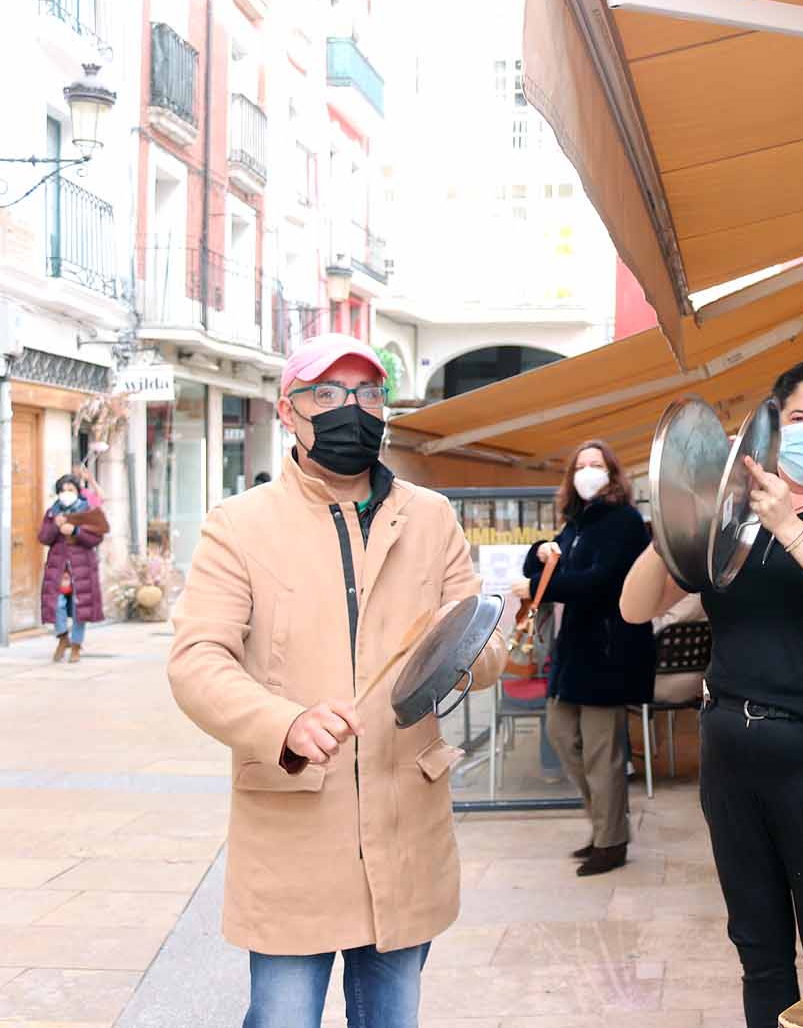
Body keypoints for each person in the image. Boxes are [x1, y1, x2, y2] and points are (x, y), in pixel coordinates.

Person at [167, 333, 506, 1028]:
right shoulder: (239, 525)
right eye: (327, 393)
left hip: (405, 825)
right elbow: (197, 660)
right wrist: (281, 723)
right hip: (294, 834)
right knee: (282, 1016)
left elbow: (489, 645)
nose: (351, 408)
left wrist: (462, 645)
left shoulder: (430, 516)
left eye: (367, 393)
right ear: (288, 412)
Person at [621, 360, 803, 1028]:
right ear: (772, 430)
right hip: (732, 750)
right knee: (759, 950)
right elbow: (636, 606)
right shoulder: (729, 522)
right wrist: (681, 512)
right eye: (799, 417)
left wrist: (788, 525)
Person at [513, 439, 654, 877]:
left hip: (610, 649)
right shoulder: (577, 522)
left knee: (601, 753)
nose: (588, 471)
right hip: (575, 651)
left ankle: (610, 842)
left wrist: (544, 586)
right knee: (562, 736)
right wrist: (539, 549)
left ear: (613, 474)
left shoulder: (624, 521)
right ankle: (605, 827)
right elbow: (538, 568)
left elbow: (599, 583)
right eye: (581, 465)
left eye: (597, 464)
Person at [39, 474, 106, 664]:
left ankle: (76, 645)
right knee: (56, 604)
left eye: (70, 490)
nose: (66, 494)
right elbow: (43, 538)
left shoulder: (88, 511)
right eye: (63, 490)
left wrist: (76, 531)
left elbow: (96, 537)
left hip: (82, 567)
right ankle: (62, 637)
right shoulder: (53, 512)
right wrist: (55, 526)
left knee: (80, 608)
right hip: (58, 568)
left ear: (78, 492)